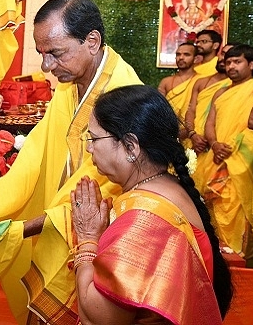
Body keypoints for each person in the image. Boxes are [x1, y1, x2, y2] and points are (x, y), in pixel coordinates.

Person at [0, 0, 143, 324]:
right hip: (59, 219)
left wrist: (23, 228)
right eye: (42, 54)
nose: (46, 67)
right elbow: (38, 150)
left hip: (91, 235)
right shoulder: (72, 83)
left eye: (56, 53)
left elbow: (106, 188)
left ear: (92, 41)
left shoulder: (123, 95)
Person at [70, 84, 232, 324]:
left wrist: (87, 239)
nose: (89, 147)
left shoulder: (142, 220)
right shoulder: (167, 186)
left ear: (130, 147)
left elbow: (100, 318)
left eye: (94, 138)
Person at [193, 44, 253, 256]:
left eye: (237, 62)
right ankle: (217, 257)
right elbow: (210, 123)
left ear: (251, 64)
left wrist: (233, 147)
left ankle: (238, 258)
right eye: (229, 62)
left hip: (241, 162)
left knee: (237, 208)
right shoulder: (220, 92)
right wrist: (215, 144)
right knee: (214, 209)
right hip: (215, 157)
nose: (231, 66)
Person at [185, 42, 236, 154]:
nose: (223, 58)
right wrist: (193, 135)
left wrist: (212, 141)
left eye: (229, 56)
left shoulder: (236, 88)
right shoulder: (201, 83)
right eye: (222, 53)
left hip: (219, 144)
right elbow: (191, 111)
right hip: (194, 141)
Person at [158, 42, 200, 138]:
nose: (181, 57)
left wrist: (190, 130)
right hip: (171, 132)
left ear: (196, 59)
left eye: (186, 54)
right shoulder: (166, 82)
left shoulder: (202, 81)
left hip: (195, 133)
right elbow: (159, 109)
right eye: (178, 54)